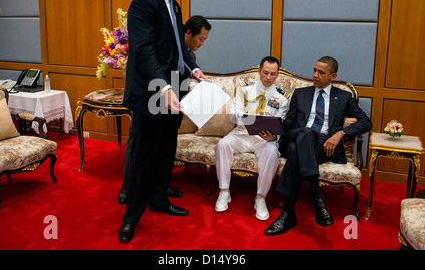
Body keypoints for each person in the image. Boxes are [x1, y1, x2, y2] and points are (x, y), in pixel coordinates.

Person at [118, 0, 204, 243]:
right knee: (145, 155)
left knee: (167, 148)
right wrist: (164, 88)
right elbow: (144, 51)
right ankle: (131, 217)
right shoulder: (143, 2)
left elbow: (178, 48)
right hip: (154, 92)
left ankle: (158, 199)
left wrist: (193, 69)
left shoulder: (175, 7)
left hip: (176, 87)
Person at [264, 56, 372, 236]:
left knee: (295, 150)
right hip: (296, 136)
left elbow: (366, 122)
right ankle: (317, 199)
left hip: (322, 146)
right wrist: (273, 130)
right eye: (314, 70)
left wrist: (340, 134)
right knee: (304, 134)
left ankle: (287, 213)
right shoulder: (301, 93)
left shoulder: (344, 97)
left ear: (333, 75)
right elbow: (289, 122)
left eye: (321, 72)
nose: (315, 75)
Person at [117, 15, 211, 204]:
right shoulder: (164, 49)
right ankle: (127, 188)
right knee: (138, 146)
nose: (201, 44)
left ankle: (161, 186)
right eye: (200, 39)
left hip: (174, 109)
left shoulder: (190, 55)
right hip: (153, 102)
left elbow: (186, 67)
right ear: (188, 32)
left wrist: (196, 73)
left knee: (166, 149)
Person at [215, 56, 289, 221]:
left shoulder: (281, 97)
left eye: (273, 74)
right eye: (265, 73)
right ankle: (224, 191)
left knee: (271, 151)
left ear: (278, 75)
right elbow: (233, 115)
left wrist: (274, 135)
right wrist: (252, 119)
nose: (268, 78)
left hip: (264, 140)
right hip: (241, 134)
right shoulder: (244, 89)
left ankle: (260, 198)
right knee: (222, 145)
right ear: (259, 71)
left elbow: (280, 121)